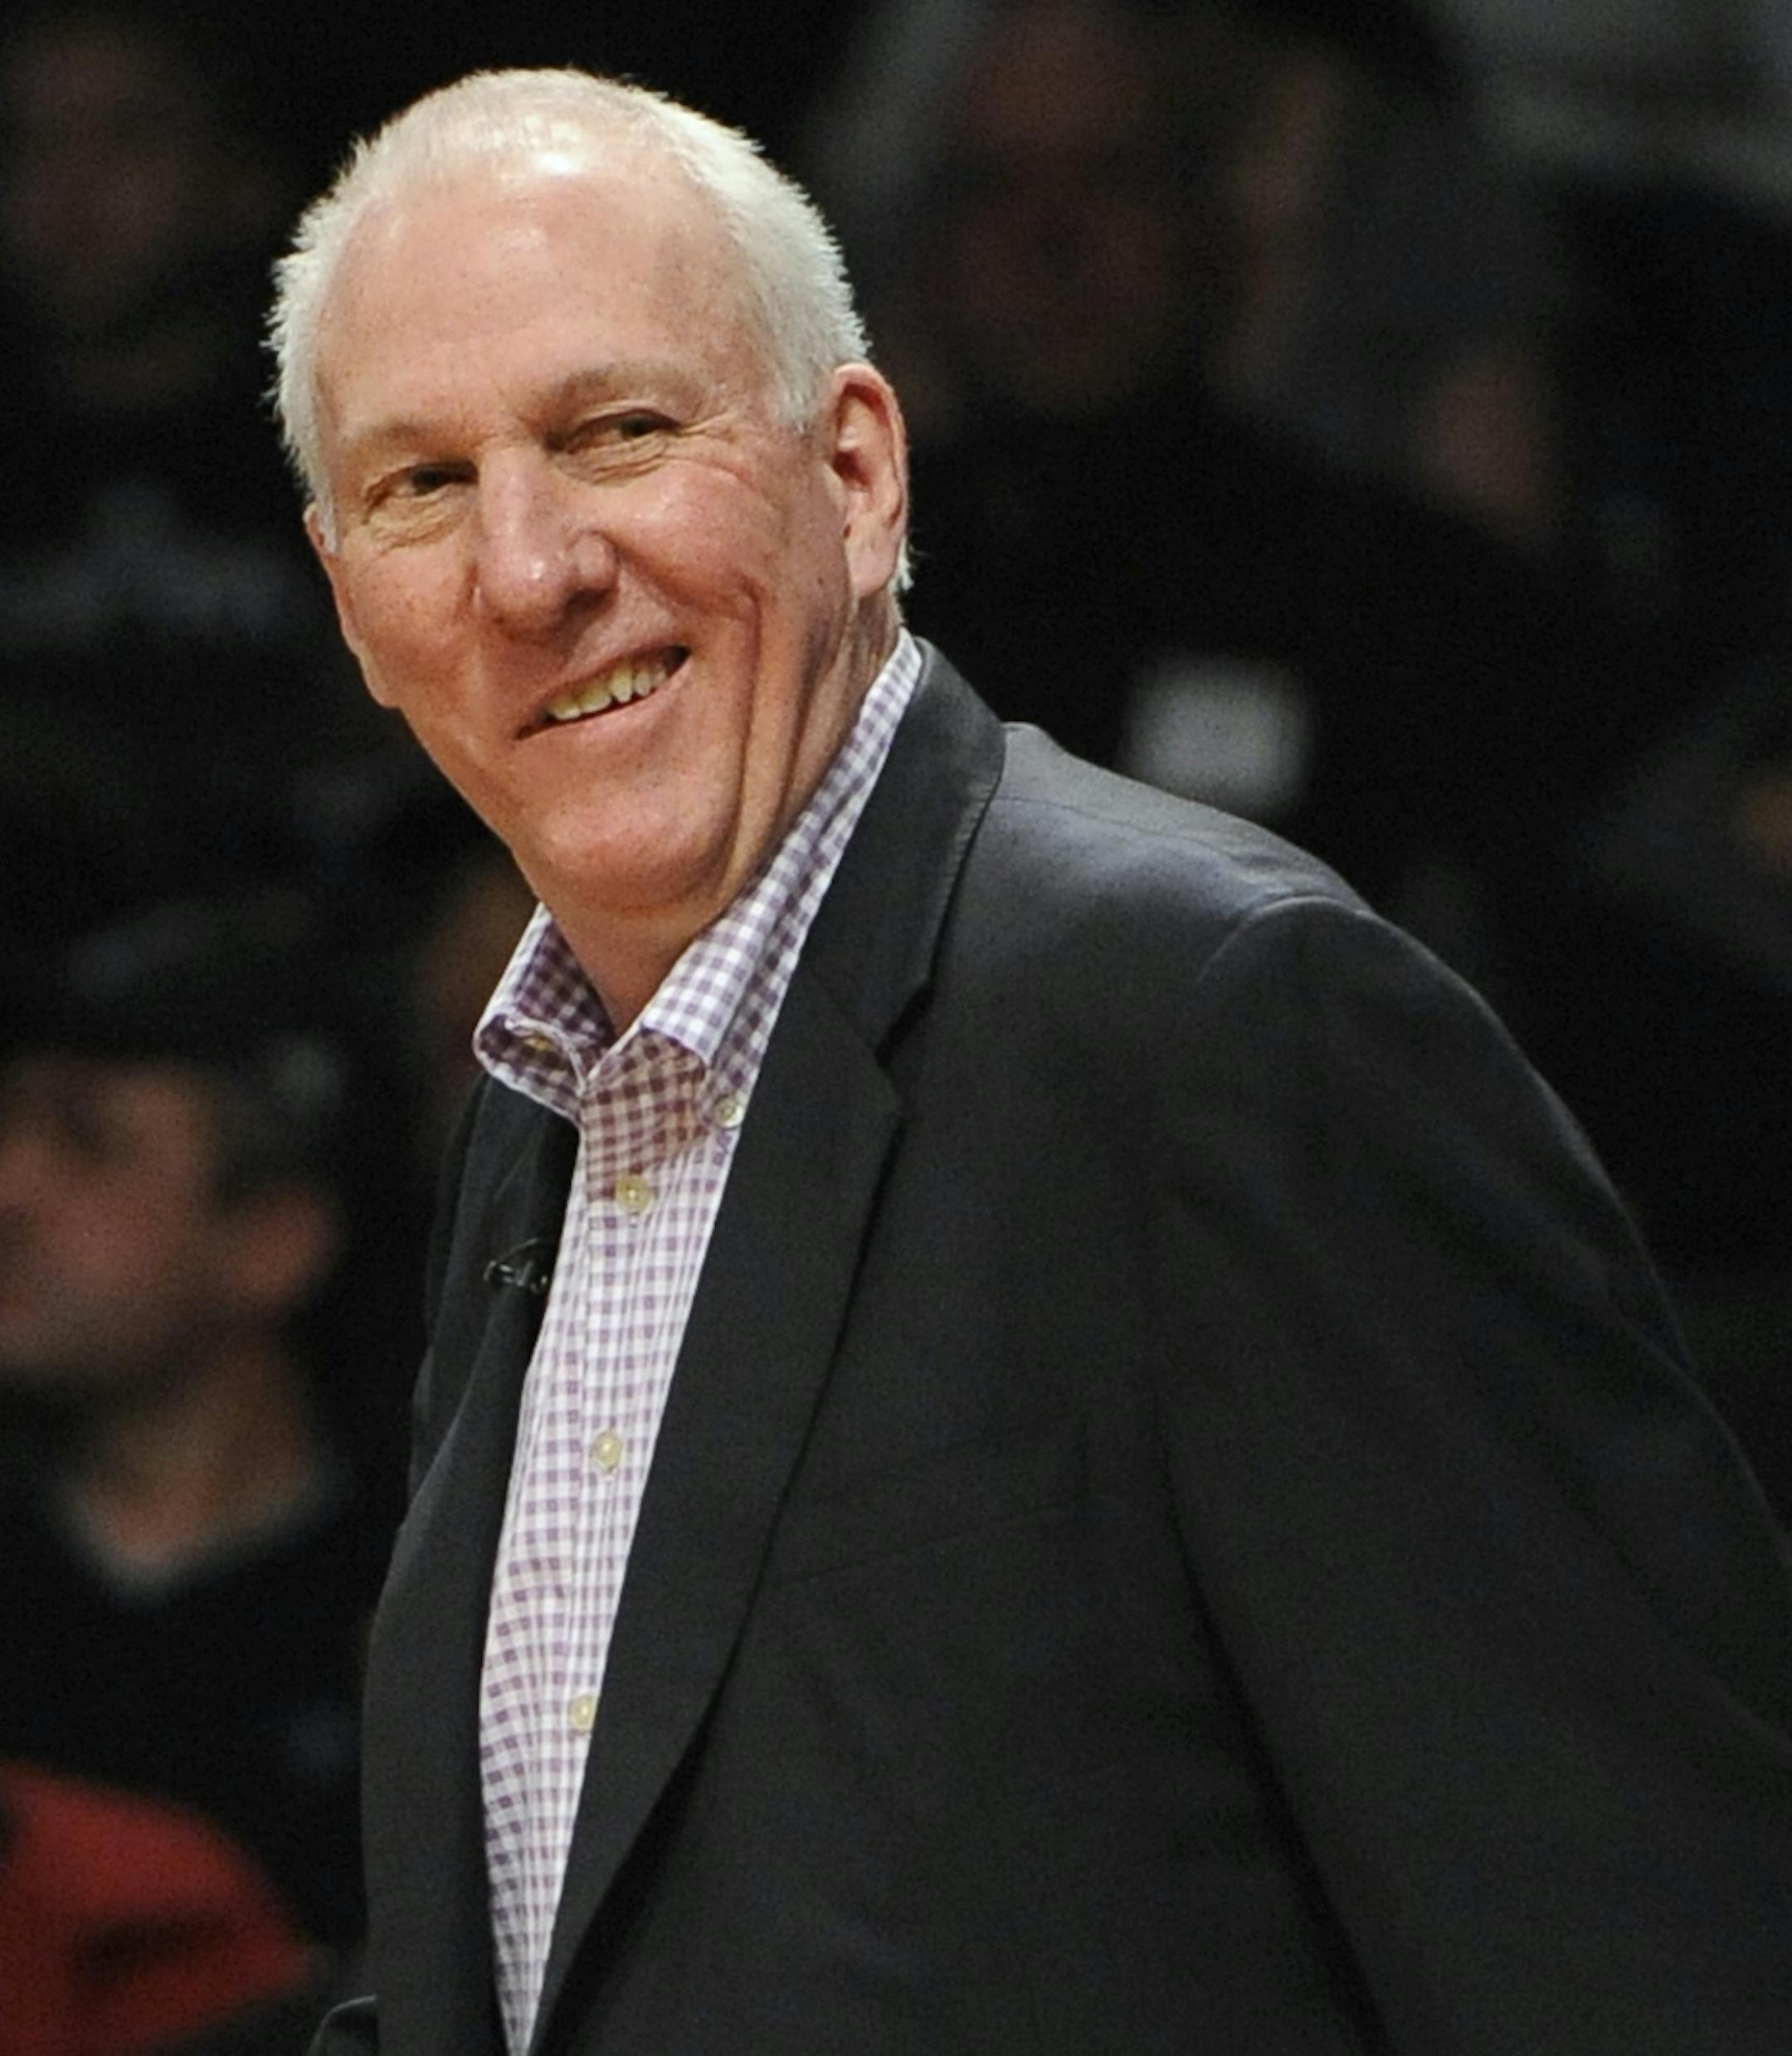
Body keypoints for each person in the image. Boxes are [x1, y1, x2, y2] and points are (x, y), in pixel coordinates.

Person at [270, 68, 1792, 2054]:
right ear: (351, 610)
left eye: (616, 431)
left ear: (856, 471)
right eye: (423, 485)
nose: (532, 567)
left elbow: (1651, 1955)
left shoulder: (1219, 1025)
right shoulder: (529, 1116)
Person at [0, 898, 404, 1953]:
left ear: (273, 1239)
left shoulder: (429, 1604)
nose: (9, 1188)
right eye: (12, 1124)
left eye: (89, 1141)